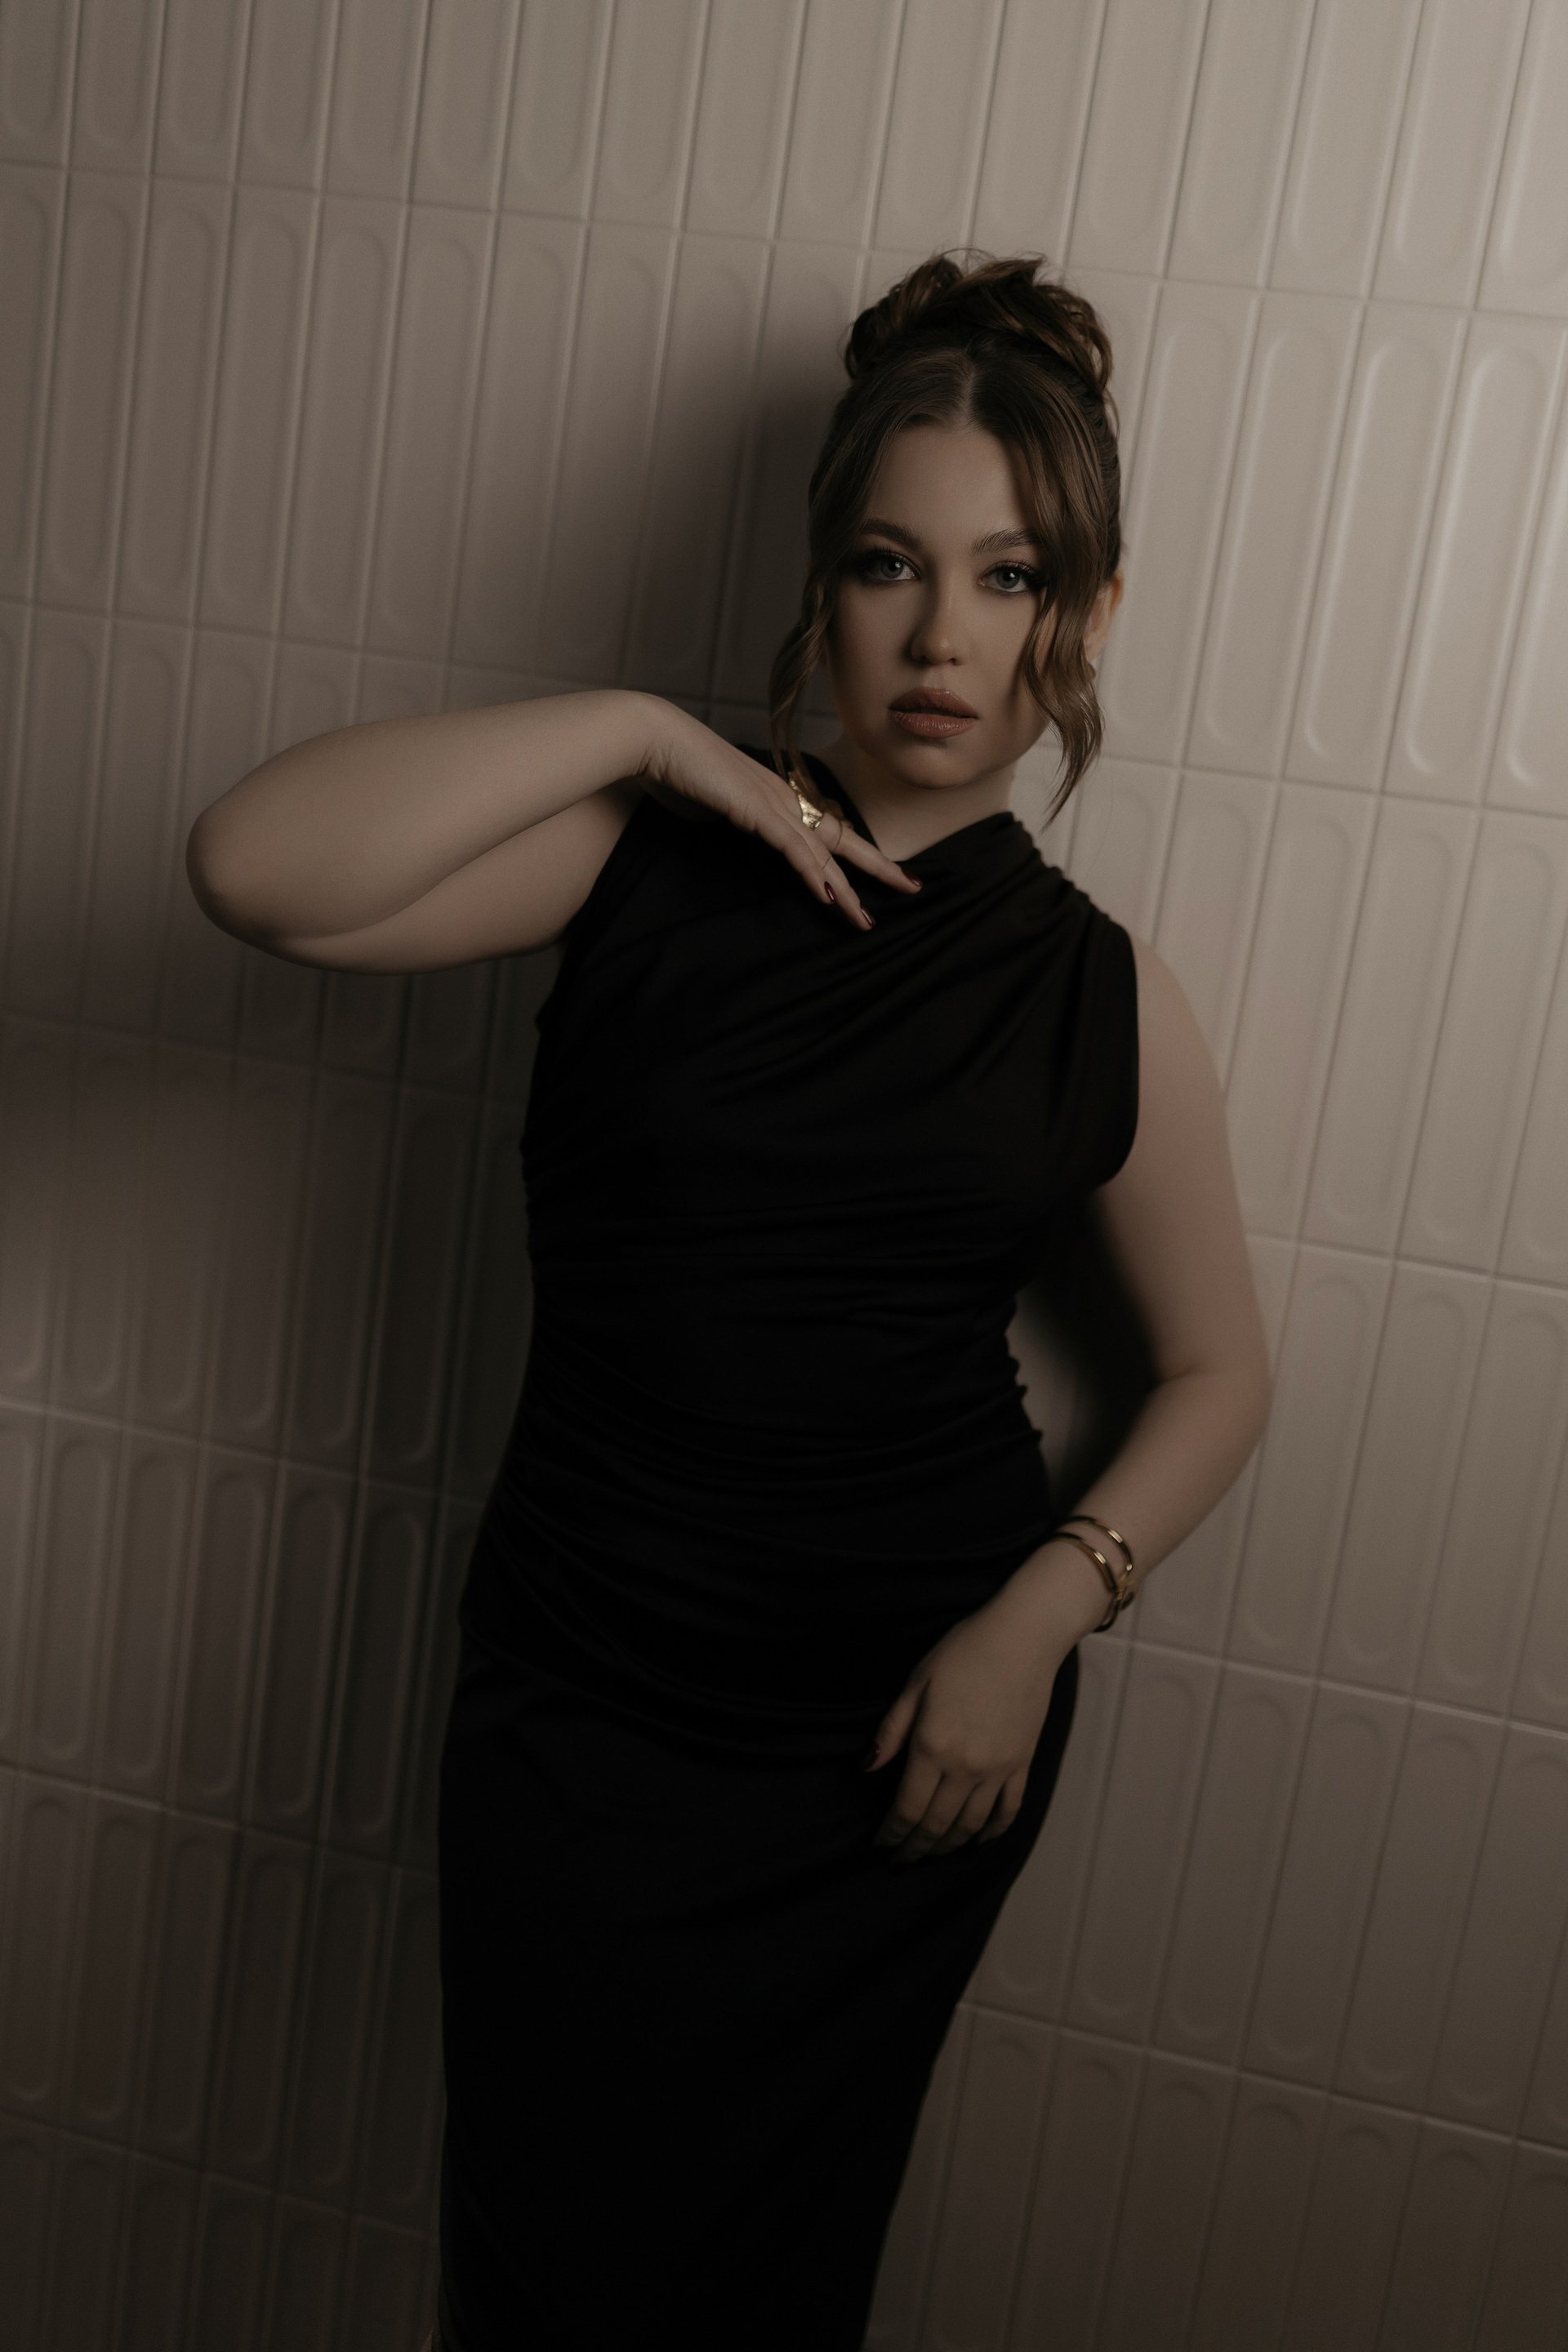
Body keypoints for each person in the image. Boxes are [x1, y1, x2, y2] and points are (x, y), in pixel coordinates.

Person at [187, 251, 1272, 2350]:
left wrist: (1034, 1626)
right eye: (889, 565)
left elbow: (1222, 1371)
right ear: (821, 586)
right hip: (583, 1709)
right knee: (536, 2283)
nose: (943, 636)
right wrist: (642, 734)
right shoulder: (637, 864)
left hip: (898, 1743)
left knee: (769, 2298)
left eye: (1011, 578)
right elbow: (252, 869)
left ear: (1087, 618)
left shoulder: (1101, 994)